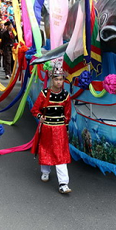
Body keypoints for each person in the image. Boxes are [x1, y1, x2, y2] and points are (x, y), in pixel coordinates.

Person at [30, 66, 72, 194]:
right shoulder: (44, 94)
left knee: (60, 155)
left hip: (59, 129)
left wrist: (65, 129)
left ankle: (63, 183)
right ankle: (45, 171)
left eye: (61, 79)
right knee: (46, 149)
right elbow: (35, 110)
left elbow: (68, 114)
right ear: (51, 80)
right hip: (47, 127)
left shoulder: (65, 95)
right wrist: (39, 117)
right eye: (56, 79)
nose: (59, 82)